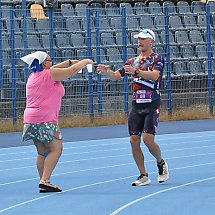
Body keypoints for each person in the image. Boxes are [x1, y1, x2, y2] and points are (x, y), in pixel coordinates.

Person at [96, 29, 169, 186]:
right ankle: (143, 175)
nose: (140, 41)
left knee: (148, 139)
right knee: (133, 139)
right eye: (138, 39)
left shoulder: (157, 59)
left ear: (151, 41)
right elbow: (116, 75)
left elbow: (155, 76)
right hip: (137, 104)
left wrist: (137, 72)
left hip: (152, 102)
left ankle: (160, 162)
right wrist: (107, 71)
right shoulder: (132, 61)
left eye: (143, 39)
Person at [21, 51, 93, 192]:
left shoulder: (34, 75)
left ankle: (43, 181)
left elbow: (60, 67)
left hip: (30, 119)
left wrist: (69, 61)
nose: (52, 62)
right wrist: (85, 62)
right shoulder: (50, 74)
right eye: (49, 60)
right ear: (44, 63)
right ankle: (45, 180)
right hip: (45, 119)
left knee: (42, 153)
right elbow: (70, 71)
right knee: (56, 149)